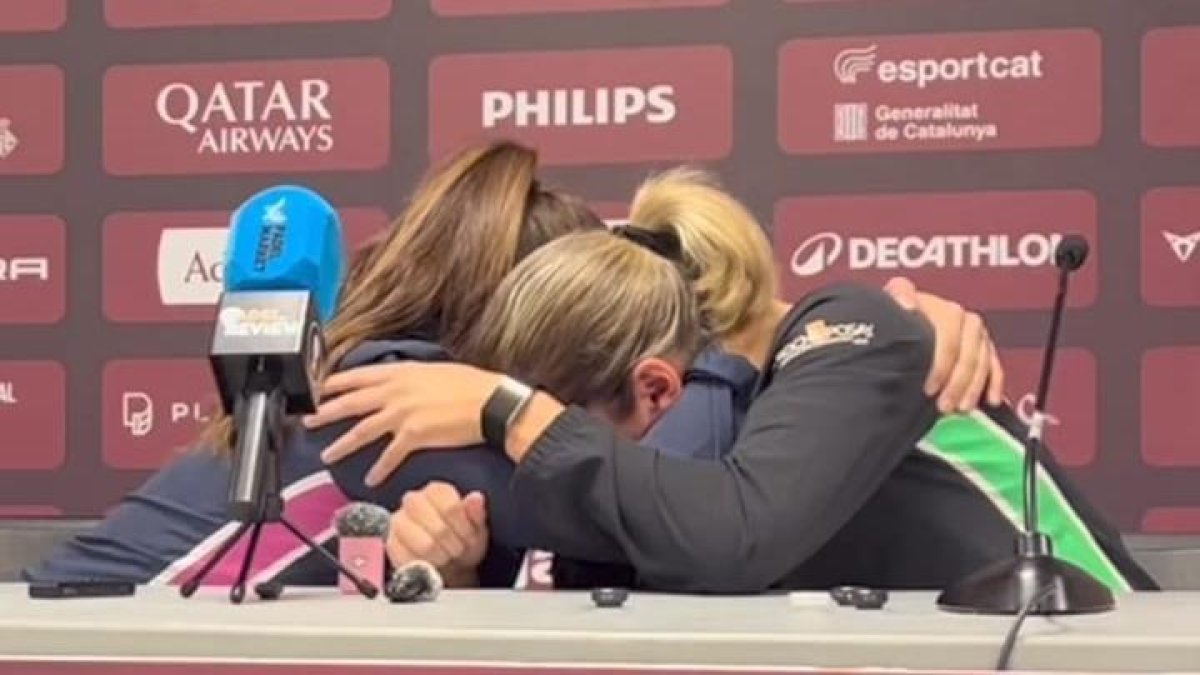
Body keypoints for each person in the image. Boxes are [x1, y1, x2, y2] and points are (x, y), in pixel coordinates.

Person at [312, 171, 1157, 594]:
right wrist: (454, 569)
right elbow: (638, 536)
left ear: (657, 390)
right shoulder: (708, 431)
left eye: (556, 419)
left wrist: (506, 409)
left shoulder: (860, 333)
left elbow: (738, 535)